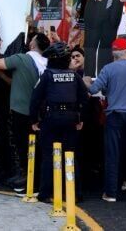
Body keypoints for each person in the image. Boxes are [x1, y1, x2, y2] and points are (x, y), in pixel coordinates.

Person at [84, 38, 126, 204]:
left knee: (112, 154)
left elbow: (94, 89)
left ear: (113, 54)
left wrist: (86, 81)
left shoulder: (108, 68)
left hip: (114, 114)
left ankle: (111, 193)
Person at [29, 42, 89, 202]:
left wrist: (34, 120)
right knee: (70, 155)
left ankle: (46, 193)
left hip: (51, 118)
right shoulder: (74, 76)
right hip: (71, 119)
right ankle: (74, 193)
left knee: (49, 156)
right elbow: (85, 99)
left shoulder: (47, 76)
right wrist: (80, 118)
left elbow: (35, 99)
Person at [0, 33, 50, 190]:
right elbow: (16, 83)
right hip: (39, 112)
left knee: (24, 148)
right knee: (36, 147)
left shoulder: (22, 59)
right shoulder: (46, 63)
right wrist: (1, 75)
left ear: (32, 45)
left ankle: (29, 184)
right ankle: (35, 182)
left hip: (21, 111)